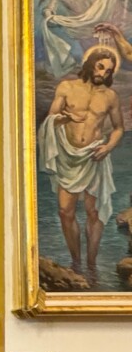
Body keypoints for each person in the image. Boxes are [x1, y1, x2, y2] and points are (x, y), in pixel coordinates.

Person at [39, 46, 123, 274]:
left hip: (95, 155)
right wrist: (65, 118)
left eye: (108, 71)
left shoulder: (110, 96)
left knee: (93, 212)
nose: (103, 73)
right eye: (100, 67)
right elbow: (51, 119)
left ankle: (92, 264)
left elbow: (118, 128)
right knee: (65, 212)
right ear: (90, 63)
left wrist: (108, 147)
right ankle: (76, 263)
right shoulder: (67, 87)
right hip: (69, 156)